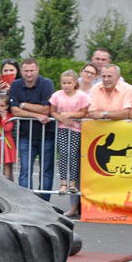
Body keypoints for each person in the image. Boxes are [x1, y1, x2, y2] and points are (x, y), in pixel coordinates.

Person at [9, 58, 56, 198]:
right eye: (26, 71)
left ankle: (45, 204)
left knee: (46, 170)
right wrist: (36, 115)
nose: (29, 74)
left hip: (46, 135)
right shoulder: (15, 85)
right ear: (21, 71)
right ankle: (27, 202)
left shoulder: (47, 84)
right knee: (25, 170)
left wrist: (24, 105)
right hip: (25, 136)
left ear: (37, 70)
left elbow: (46, 110)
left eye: (32, 71)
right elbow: (15, 111)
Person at [49, 70, 90, 209]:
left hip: (76, 129)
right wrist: (61, 118)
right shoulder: (56, 95)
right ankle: (62, 183)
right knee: (63, 155)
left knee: (73, 155)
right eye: (64, 83)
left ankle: (72, 183)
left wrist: (69, 115)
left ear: (74, 83)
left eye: (69, 83)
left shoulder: (81, 96)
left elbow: (84, 112)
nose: (66, 86)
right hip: (62, 128)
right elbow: (52, 111)